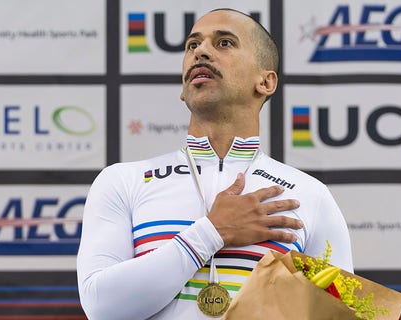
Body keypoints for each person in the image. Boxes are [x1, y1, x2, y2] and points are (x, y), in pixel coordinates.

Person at [77, 8, 353, 319]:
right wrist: (212, 232)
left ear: (266, 81)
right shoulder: (122, 181)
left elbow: (341, 314)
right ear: (183, 89)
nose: (201, 51)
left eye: (224, 43)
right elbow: (101, 308)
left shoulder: (310, 195)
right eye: (192, 45)